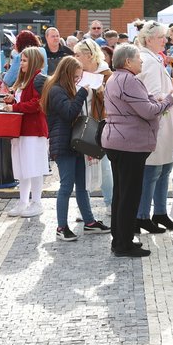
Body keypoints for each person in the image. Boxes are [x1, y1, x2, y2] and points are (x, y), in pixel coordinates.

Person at [103, 44, 173, 257]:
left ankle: (120, 239)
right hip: (129, 143)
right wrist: (169, 101)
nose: (142, 61)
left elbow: (139, 104)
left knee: (121, 193)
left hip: (117, 141)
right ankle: (123, 244)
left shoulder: (115, 78)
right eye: (138, 58)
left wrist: (155, 101)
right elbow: (147, 111)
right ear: (127, 61)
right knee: (129, 195)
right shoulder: (129, 80)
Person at [40, 56, 110, 241]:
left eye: (80, 77)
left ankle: (89, 222)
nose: (78, 80)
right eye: (76, 77)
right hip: (63, 144)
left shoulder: (65, 89)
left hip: (74, 143)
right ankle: (61, 227)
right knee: (66, 186)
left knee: (82, 185)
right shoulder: (55, 90)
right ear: (67, 74)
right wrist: (81, 93)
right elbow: (69, 112)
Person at [134, 21, 173, 234]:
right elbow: (154, 96)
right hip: (157, 123)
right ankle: (143, 215)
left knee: (163, 169)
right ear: (149, 39)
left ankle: (159, 212)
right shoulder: (150, 61)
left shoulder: (152, 58)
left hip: (163, 122)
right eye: (161, 37)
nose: (166, 40)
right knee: (154, 170)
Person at [0, 46, 49, 218]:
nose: (21, 64)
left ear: (34, 61)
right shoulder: (25, 80)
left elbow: (37, 103)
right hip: (21, 130)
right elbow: (29, 101)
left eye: (25, 60)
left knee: (33, 167)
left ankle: (36, 202)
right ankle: (23, 202)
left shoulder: (38, 79)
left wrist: (14, 106)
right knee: (22, 167)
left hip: (33, 130)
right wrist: (14, 100)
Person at [74, 38, 114, 212]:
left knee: (104, 166)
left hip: (99, 125)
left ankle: (111, 202)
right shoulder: (76, 72)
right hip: (79, 125)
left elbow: (113, 101)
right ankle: (84, 209)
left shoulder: (106, 74)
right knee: (82, 169)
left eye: (77, 54)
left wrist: (101, 93)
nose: (74, 57)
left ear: (89, 55)